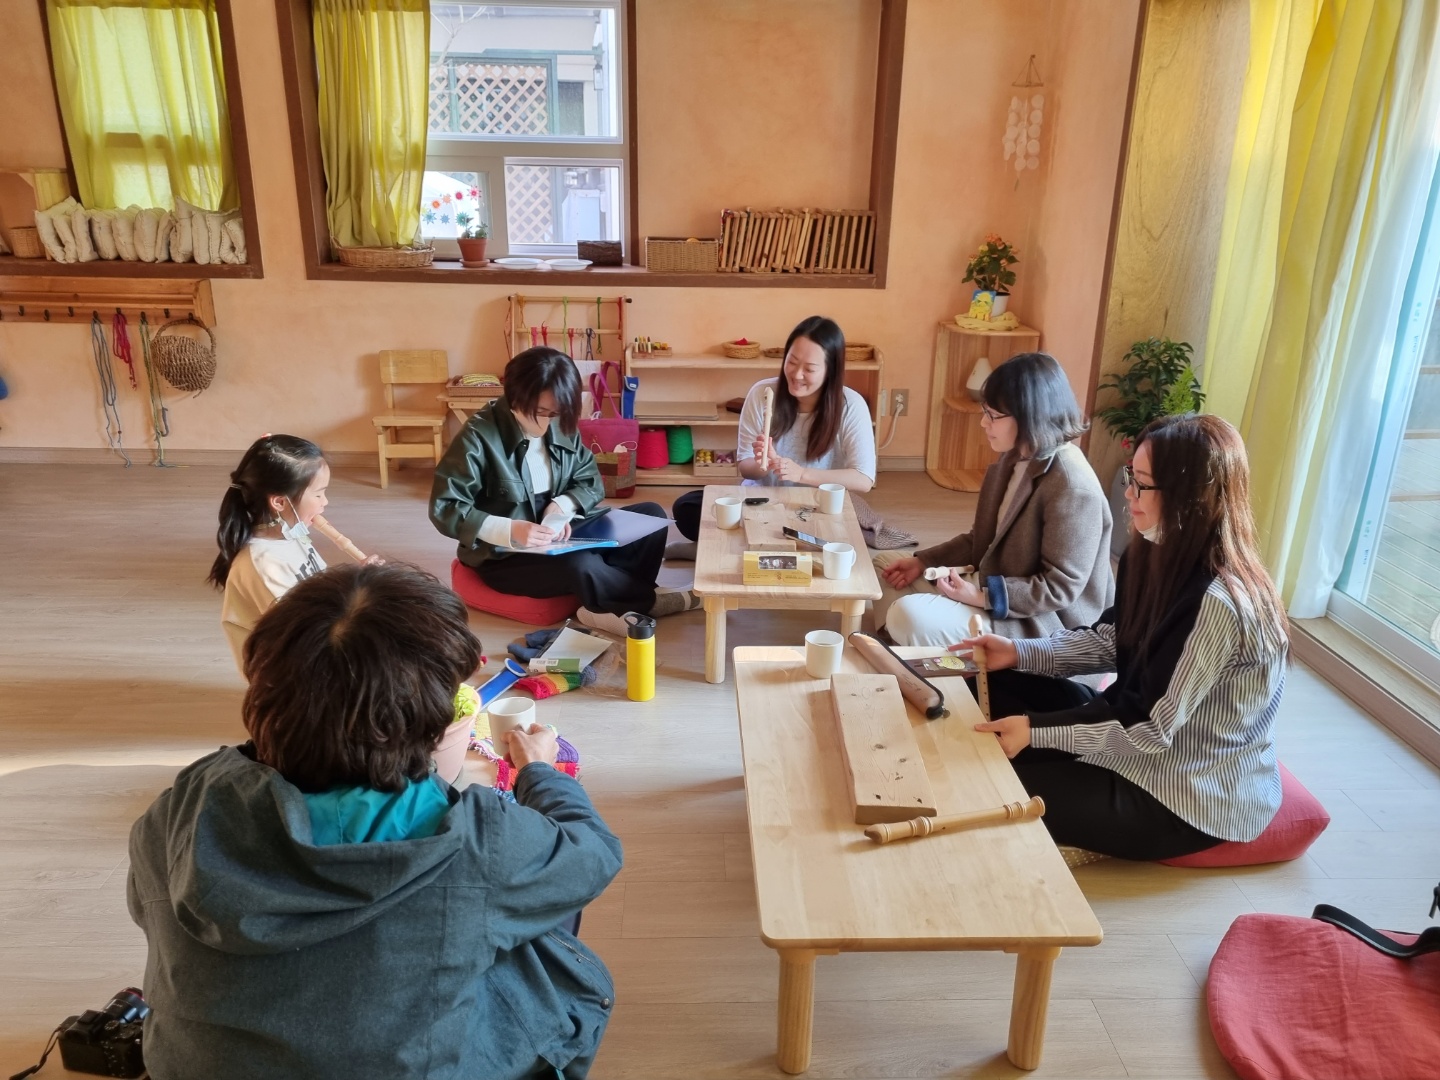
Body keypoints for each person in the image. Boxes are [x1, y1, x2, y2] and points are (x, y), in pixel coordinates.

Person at [128, 563, 623, 1080]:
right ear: (432, 715)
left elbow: (151, 912)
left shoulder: (181, 806)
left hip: (193, 1066)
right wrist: (539, 773)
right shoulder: (476, 840)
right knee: (544, 930)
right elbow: (593, 853)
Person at [959, 413, 1288, 861]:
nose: (1128, 493)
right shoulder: (1148, 550)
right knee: (991, 682)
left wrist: (1036, 731)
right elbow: (1111, 640)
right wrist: (1017, 652)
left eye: (1143, 485)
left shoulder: (1216, 602)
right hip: (1133, 730)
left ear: (1190, 497)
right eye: (1131, 477)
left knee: (995, 788)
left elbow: (1150, 727)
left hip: (1187, 790)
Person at [431, 347, 693, 634]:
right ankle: (644, 600)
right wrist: (510, 529)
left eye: (556, 413)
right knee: (579, 563)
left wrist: (564, 505)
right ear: (515, 397)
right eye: (540, 413)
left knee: (652, 516)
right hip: (505, 555)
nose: (548, 423)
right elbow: (446, 507)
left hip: (559, 533)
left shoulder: (559, 421)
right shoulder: (478, 437)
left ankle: (605, 601)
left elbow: (589, 479)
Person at [875, 352, 1112, 646]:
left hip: (1039, 620)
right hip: (989, 586)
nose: (983, 423)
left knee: (909, 616)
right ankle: (912, 648)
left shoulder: (1073, 486)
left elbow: (1060, 588)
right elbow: (981, 541)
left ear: (1029, 416)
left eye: (992, 415)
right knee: (885, 567)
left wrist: (982, 597)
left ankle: (918, 647)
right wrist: (924, 561)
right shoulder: (1013, 458)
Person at [668, 315, 876, 553]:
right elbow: (746, 468)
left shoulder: (851, 405)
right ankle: (745, 545)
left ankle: (721, 548)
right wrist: (764, 464)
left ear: (830, 371)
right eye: (792, 362)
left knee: (837, 530)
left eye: (809, 369)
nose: (796, 374)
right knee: (687, 507)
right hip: (761, 502)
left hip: (815, 508)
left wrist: (802, 474)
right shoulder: (762, 394)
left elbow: (863, 479)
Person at [210, 434, 333, 673]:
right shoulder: (263, 564)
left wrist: (360, 581)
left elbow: (321, 585)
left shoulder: (290, 534)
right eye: (318, 494)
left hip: (311, 648)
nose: (324, 502)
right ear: (279, 503)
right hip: (286, 672)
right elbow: (303, 634)